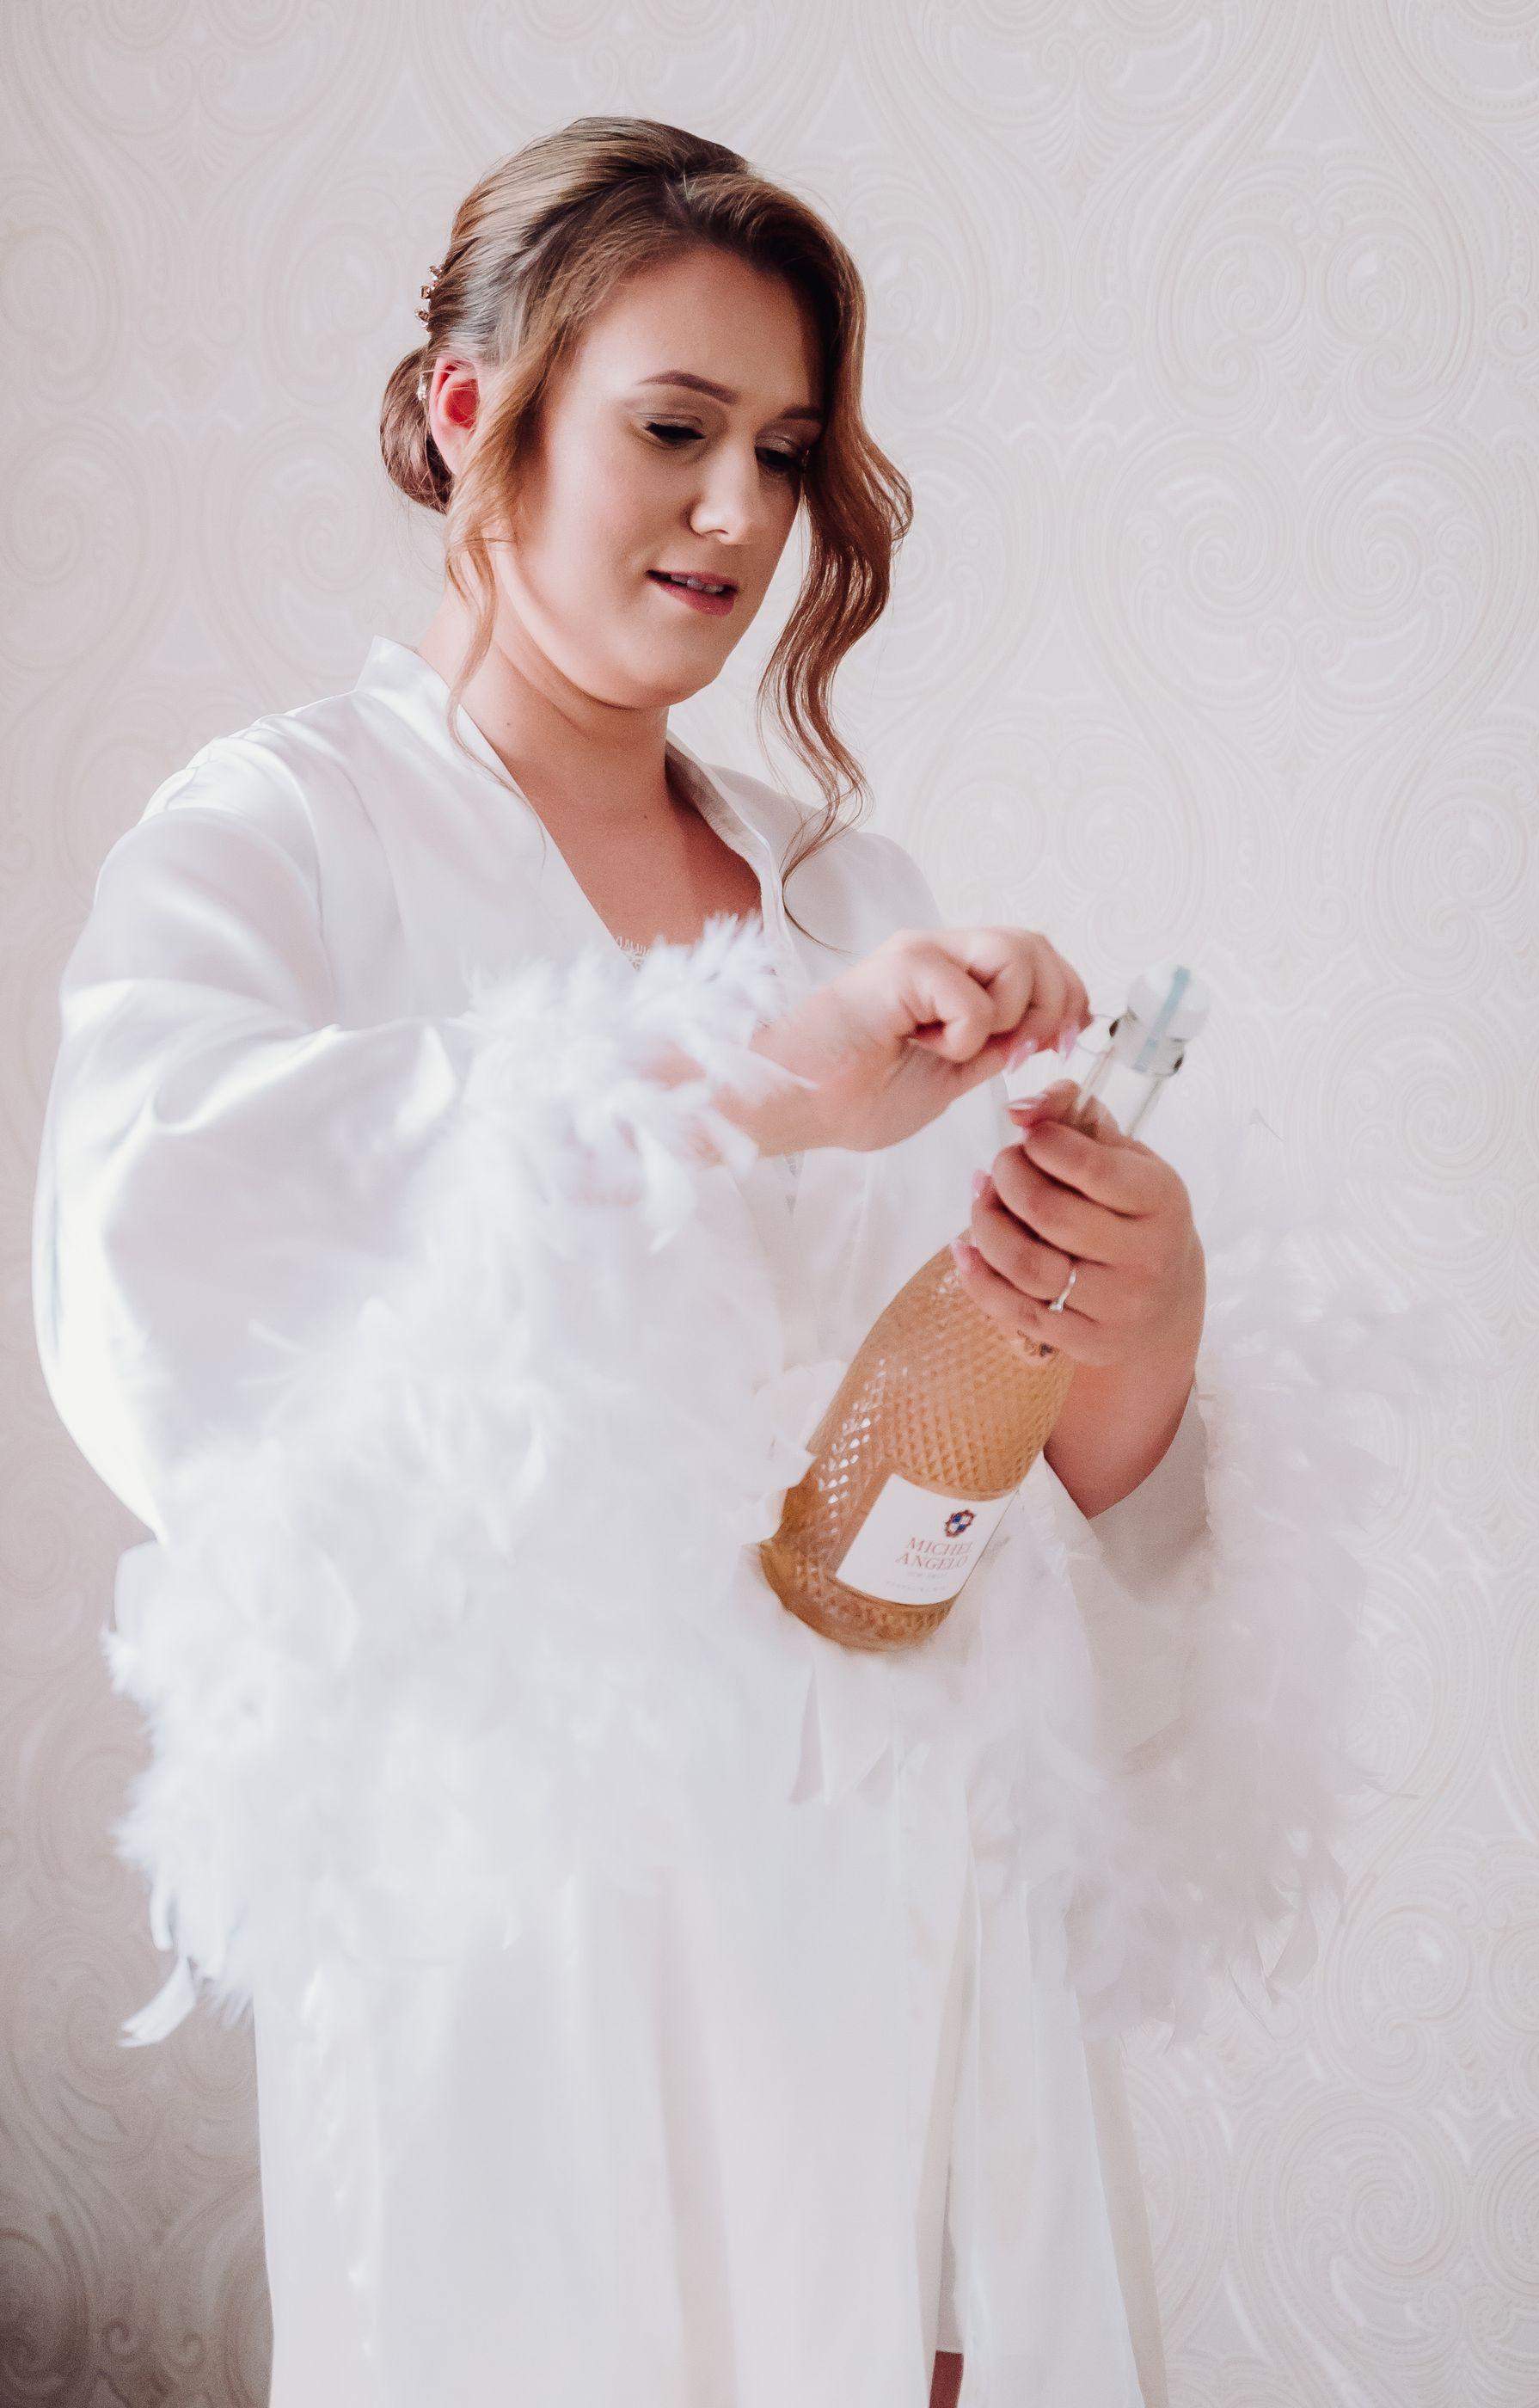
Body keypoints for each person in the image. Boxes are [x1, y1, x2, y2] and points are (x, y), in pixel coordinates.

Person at [32, 117, 1403, 2408]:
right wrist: (754, 1080)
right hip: (534, 1958)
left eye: (782, 452)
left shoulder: (853, 903)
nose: (741, 517)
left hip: (911, 1918)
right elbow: (154, 1251)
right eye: (675, 430)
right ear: (476, 408)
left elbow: (1019, 1484)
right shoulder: (283, 837)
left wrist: (1132, 1308)